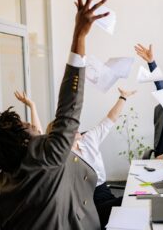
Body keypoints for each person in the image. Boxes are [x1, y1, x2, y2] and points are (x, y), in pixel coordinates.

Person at [0, 0, 109, 230]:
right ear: (24, 143)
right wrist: (79, 35)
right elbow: (69, 108)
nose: (32, 125)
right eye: (26, 127)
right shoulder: (48, 157)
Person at [46, 87, 136, 230]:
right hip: (86, 204)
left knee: (132, 202)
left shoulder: (88, 139)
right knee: (131, 202)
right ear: (61, 136)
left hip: (104, 192)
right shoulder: (61, 158)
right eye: (70, 128)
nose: (76, 127)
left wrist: (123, 97)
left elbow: (110, 119)